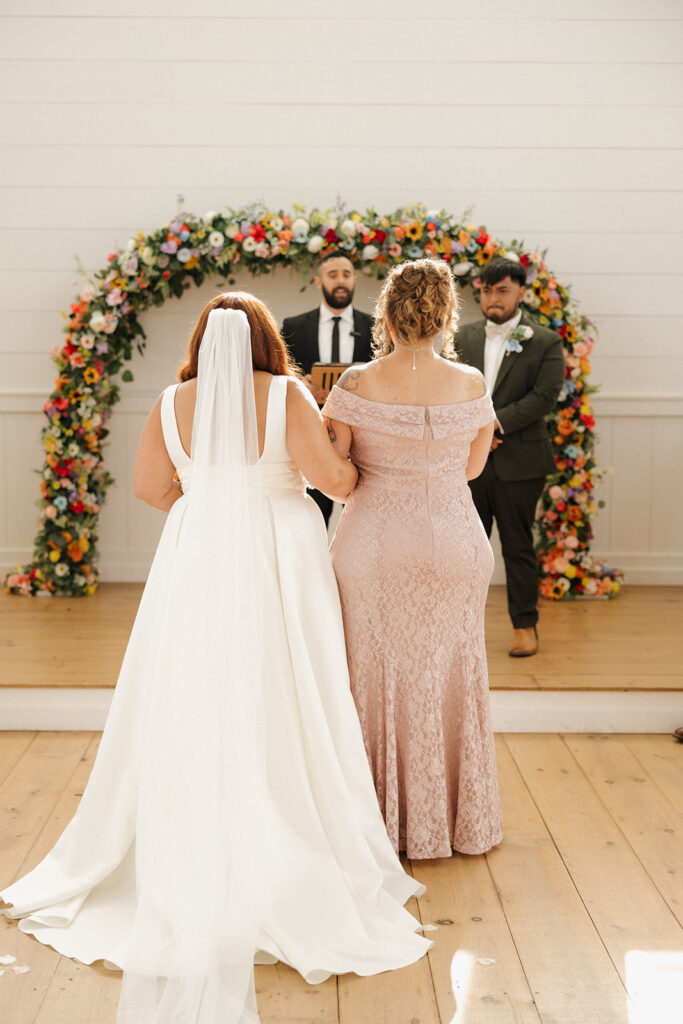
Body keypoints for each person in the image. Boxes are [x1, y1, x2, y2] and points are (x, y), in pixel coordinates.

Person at [1, 294, 430, 1024]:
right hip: (280, 551)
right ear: (268, 339)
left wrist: (213, 503)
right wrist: (344, 452)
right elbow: (335, 481)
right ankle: (294, 822)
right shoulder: (289, 391)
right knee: (291, 684)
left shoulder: (172, 400)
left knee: (196, 685)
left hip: (197, 550)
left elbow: (146, 486)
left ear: (202, 342)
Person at [322, 258, 503, 861]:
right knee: (451, 672)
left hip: (374, 541)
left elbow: (338, 480)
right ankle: (456, 823)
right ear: (447, 315)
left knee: (374, 675)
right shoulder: (473, 382)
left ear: (388, 314)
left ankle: (379, 824)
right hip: (455, 540)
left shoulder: (353, 384)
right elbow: (473, 469)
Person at [454, 257, 565, 657]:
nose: (493, 298)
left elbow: (544, 397)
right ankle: (463, 631)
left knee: (518, 547)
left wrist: (493, 426)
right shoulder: (461, 337)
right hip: (469, 463)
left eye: (502, 290)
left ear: (520, 291)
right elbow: (451, 391)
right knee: (467, 549)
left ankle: (525, 626)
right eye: (486, 290)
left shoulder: (545, 340)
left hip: (521, 461)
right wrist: (475, 431)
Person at [281, 249, 373, 525]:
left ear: (354, 279)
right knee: (312, 523)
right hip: (311, 436)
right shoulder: (294, 326)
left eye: (346, 274)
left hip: (363, 441)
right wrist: (302, 384)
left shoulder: (374, 326)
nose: (340, 281)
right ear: (319, 282)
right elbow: (282, 376)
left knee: (360, 524)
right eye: (333, 275)